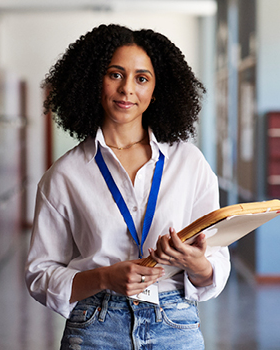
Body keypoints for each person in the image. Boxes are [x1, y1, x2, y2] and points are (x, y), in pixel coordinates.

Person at [25, 24, 230, 349]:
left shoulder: (189, 163)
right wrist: (105, 277)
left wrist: (196, 263)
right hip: (96, 326)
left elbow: (217, 261)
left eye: (141, 78)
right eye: (115, 75)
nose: (127, 90)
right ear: (95, 80)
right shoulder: (66, 174)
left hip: (174, 324)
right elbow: (39, 274)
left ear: (156, 89)